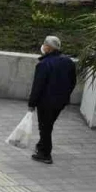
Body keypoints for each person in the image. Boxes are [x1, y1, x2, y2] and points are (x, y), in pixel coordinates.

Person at [28, 35, 77, 164]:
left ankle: (45, 154)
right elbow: (73, 82)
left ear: (48, 48)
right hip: (60, 102)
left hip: (45, 102)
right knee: (49, 124)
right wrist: (65, 95)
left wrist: (32, 103)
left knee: (45, 127)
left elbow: (38, 86)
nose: (42, 47)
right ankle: (41, 145)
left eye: (44, 44)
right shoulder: (68, 62)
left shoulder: (44, 64)